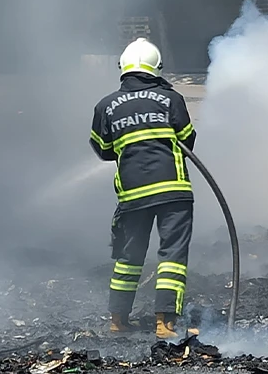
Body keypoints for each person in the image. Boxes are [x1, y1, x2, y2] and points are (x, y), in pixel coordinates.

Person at [89, 38, 198, 338]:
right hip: (173, 191)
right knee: (172, 255)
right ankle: (165, 324)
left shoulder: (105, 105)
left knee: (129, 256)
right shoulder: (171, 99)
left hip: (132, 195)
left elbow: (103, 149)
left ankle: (117, 321)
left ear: (123, 69)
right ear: (156, 69)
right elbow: (187, 139)